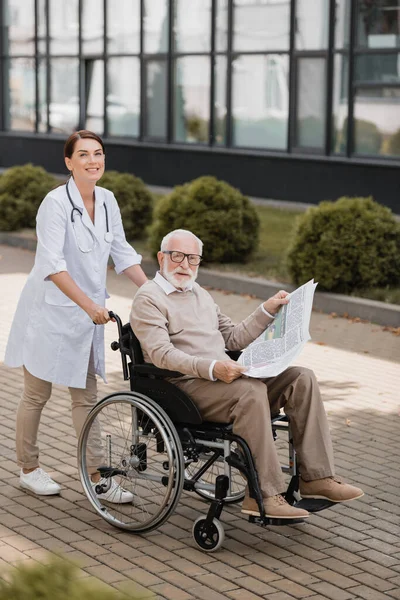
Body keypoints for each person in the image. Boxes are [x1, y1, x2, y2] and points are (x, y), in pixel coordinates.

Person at [130, 229, 364, 520]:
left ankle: (316, 478)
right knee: (250, 392)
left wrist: (267, 310)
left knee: (301, 378)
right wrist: (214, 368)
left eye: (193, 259)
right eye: (177, 256)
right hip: (183, 386)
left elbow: (233, 338)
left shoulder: (199, 294)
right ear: (161, 257)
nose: (185, 265)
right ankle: (263, 496)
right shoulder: (148, 299)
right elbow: (161, 355)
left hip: (223, 380)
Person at [5, 130, 147, 501]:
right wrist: (90, 306)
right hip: (50, 312)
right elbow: (52, 265)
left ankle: (98, 475)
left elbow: (122, 251)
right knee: (37, 394)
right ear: (69, 162)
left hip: (88, 316)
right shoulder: (54, 204)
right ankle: (29, 468)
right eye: (82, 154)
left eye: (97, 153)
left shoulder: (108, 200)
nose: (92, 160)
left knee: (86, 396)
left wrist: (152, 292)